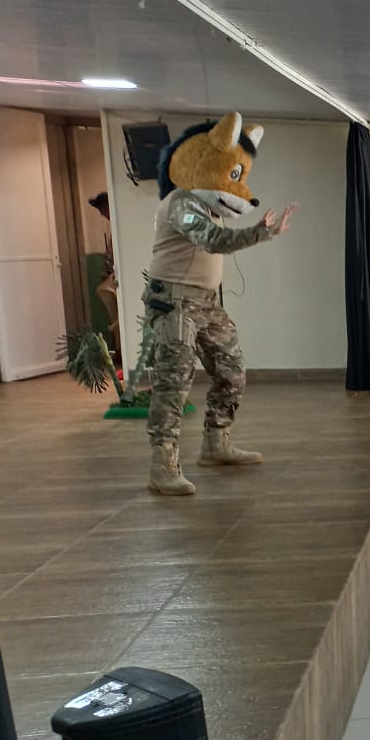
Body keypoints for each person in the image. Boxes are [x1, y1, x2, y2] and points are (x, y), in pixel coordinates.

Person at [142, 113, 295, 495]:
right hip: (173, 303)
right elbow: (211, 240)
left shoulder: (209, 205)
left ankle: (216, 444)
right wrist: (260, 233)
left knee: (232, 371)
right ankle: (162, 465)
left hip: (206, 303)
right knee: (172, 383)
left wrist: (259, 233)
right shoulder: (181, 204)